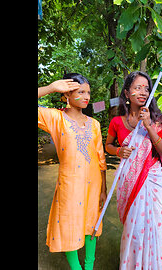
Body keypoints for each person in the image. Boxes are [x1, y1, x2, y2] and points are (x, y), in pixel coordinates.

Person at [105, 71, 162, 269]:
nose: (143, 92)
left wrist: (148, 125)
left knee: (155, 229)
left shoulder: (157, 120)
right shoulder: (116, 121)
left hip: (153, 182)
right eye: (137, 88)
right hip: (129, 182)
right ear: (127, 93)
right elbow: (108, 146)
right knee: (135, 229)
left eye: (146, 88)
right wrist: (119, 151)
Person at [38, 73, 107, 270]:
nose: (87, 97)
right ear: (67, 94)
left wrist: (103, 189)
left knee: (92, 223)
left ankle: (89, 265)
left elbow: (101, 159)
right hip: (70, 184)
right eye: (81, 92)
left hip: (94, 184)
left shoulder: (94, 124)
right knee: (70, 224)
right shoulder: (55, 118)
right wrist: (51, 87)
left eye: (88, 92)